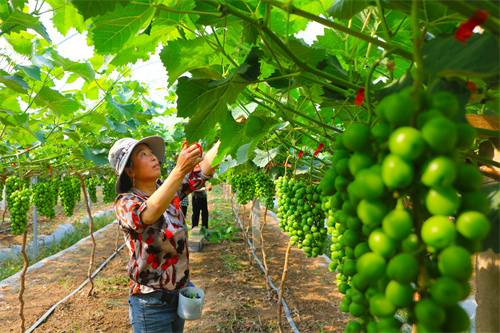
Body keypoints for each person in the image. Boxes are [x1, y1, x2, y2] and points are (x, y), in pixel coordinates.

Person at [108, 136, 220, 333]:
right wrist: (178, 170)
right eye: (143, 154)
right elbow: (148, 214)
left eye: (152, 153)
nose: (153, 157)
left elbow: (202, 170)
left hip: (178, 296)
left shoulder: (167, 190)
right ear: (130, 171)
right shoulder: (125, 203)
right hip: (150, 305)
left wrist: (231, 134)